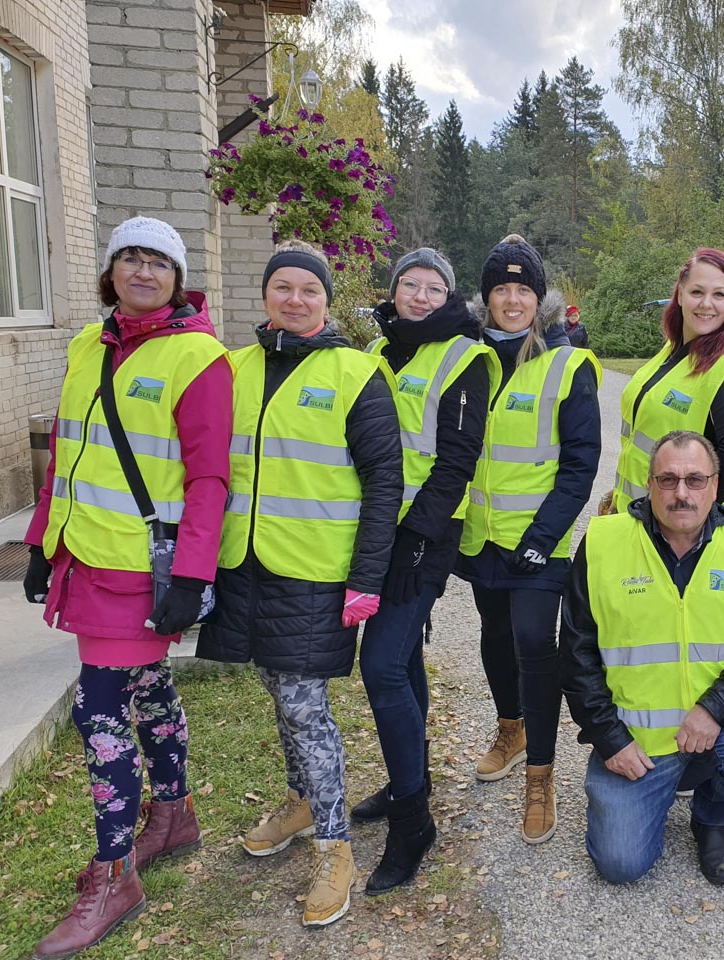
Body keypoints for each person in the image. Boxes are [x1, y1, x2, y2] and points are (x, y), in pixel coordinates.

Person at [24, 217, 232, 959]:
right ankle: (172, 816)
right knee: (145, 691)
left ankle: (115, 875)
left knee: (98, 708)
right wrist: (41, 541)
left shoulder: (198, 357)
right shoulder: (88, 343)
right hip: (85, 556)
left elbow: (210, 477)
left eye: (159, 262)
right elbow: (71, 448)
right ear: (110, 270)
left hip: (142, 571)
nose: (143, 271)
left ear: (178, 279)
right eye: (131, 259)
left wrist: (193, 573)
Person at [196, 240, 402, 926]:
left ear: (325, 300)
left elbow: (384, 483)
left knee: (304, 705)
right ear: (265, 296)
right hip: (244, 564)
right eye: (282, 287)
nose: (294, 299)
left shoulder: (354, 373)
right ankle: (302, 802)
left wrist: (366, 576)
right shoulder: (233, 368)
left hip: (315, 571)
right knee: (275, 689)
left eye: (308, 290)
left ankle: (336, 847)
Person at [561, 430, 724, 885]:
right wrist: (610, 740)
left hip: (719, 726)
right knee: (620, 865)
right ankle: (651, 789)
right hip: (636, 740)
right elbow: (575, 651)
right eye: (667, 480)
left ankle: (709, 817)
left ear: (715, 483)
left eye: (694, 479)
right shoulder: (605, 542)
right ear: (649, 484)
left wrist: (714, 709)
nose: (681, 493)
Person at [350, 248, 499, 895]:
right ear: (393, 291)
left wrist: (415, 537)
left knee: (380, 666)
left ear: (450, 297)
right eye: (408, 284)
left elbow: (456, 461)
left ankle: (414, 822)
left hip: (422, 538)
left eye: (432, 286)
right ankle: (409, 780)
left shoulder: (465, 357)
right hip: (373, 533)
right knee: (402, 660)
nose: (418, 294)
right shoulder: (383, 356)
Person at [457, 234, 601, 844]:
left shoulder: (568, 364)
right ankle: (510, 729)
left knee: (534, 644)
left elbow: (580, 464)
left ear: (540, 301)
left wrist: (542, 538)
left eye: (524, 290)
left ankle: (541, 774)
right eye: (501, 290)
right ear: (486, 298)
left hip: (541, 545)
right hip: (482, 538)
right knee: (493, 636)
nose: (512, 300)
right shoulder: (469, 359)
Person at [611, 248, 724, 512]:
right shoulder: (672, 350)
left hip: (672, 531)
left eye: (719, 295)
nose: (706, 303)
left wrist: (690, 509)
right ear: (680, 294)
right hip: (634, 514)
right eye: (697, 292)